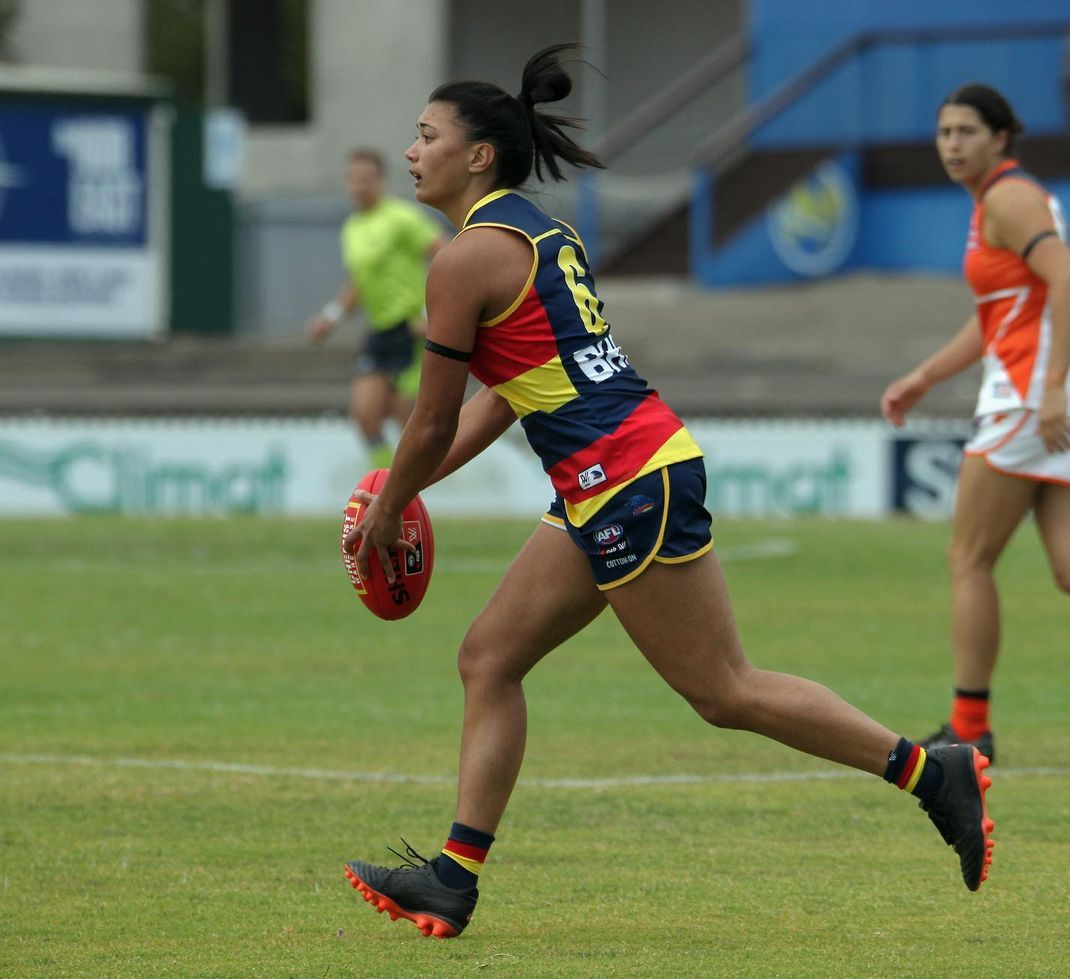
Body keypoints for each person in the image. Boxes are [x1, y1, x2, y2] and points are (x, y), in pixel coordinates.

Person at [342, 45, 996, 940]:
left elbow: (426, 423)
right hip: (609, 476)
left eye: (426, 136)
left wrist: (390, 506)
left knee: (724, 690)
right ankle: (453, 879)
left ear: (479, 155)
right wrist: (397, 491)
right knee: (489, 658)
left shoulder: (464, 262)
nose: (411, 152)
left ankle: (931, 771)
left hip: (624, 475)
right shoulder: (541, 235)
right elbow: (502, 398)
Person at [881, 84, 1070, 763]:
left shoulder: (1007, 198)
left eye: (966, 131)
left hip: (1027, 398)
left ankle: (969, 726)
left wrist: (1051, 387)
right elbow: (997, 314)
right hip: (1039, 395)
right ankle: (971, 725)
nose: (952, 144)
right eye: (944, 132)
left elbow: (1069, 279)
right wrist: (925, 376)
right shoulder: (1000, 199)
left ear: (1001, 137)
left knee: (968, 559)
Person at [307, 148, 447, 470]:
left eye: (367, 178)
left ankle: (418, 487)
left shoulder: (401, 218)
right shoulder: (352, 227)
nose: (359, 185)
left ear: (381, 181)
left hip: (411, 331)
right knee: (365, 415)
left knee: (409, 423)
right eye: (354, 179)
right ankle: (385, 482)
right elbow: (360, 282)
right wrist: (330, 317)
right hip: (381, 331)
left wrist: (431, 316)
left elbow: (448, 255)